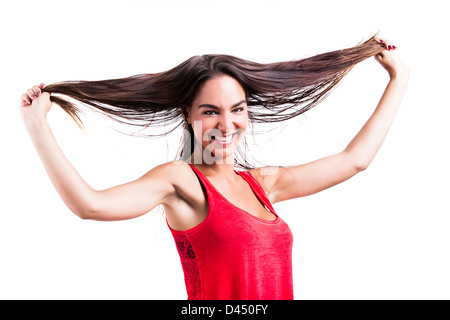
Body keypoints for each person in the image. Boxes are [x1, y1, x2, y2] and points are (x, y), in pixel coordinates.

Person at [19, 36, 409, 300]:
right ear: (187, 114)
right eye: (211, 112)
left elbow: (353, 161)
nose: (227, 125)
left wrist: (399, 79)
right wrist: (37, 126)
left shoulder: (261, 184)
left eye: (237, 110)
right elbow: (91, 205)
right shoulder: (179, 181)